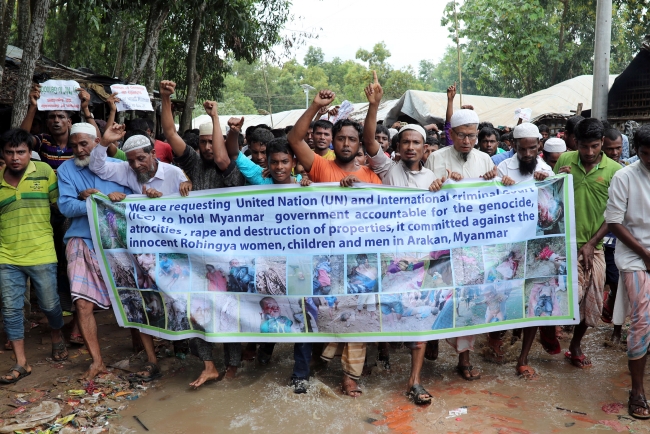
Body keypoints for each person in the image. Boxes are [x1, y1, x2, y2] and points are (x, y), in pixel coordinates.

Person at [287, 88, 381, 398]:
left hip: (358, 262)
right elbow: (294, 141)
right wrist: (316, 106)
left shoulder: (372, 176)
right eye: (341, 138)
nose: (345, 143)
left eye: (352, 140)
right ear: (332, 141)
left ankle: (350, 377)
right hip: (322, 258)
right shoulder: (320, 167)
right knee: (317, 312)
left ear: (359, 145)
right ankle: (314, 363)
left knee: (358, 317)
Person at [159, 81, 246, 387]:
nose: (208, 147)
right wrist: (167, 98)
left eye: (214, 141)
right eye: (205, 142)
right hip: (196, 255)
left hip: (227, 254)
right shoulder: (193, 163)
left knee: (228, 310)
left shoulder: (231, 168)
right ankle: (208, 364)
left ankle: (232, 364)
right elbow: (170, 134)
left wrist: (214, 120)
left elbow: (222, 158)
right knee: (195, 308)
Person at [90, 123, 189, 382]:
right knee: (142, 299)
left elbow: (189, 207)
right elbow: (98, 167)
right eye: (132, 161)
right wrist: (103, 143)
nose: (135, 166)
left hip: (170, 250)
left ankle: (180, 343)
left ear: (154, 153)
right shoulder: (126, 169)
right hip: (138, 250)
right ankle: (152, 359)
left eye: (141, 159)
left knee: (176, 298)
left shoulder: (174, 173)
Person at [57, 123, 132, 380]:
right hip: (81, 239)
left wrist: (116, 197)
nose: (78, 150)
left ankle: (143, 351)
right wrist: (90, 200)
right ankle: (97, 361)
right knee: (82, 303)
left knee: (130, 297)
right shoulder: (66, 170)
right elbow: (65, 206)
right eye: (74, 145)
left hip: (116, 241)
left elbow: (134, 197)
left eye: (84, 144)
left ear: (97, 142)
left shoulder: (114, 166)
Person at [0, 128, 66, 384]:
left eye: (21, 152)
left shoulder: (45, 172)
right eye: (10, 152)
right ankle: (21, 362)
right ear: (2, 154)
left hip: (41, 252)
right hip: (7, 256)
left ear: (30, 153)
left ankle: (56, 334)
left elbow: (61, 205)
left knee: (50, 305)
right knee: (11, 310)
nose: (15, 157)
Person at [555, 118, 621, 368]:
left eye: (594, 146)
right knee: (560, 297)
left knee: (591, 301)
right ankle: (552, 336)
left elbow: (614, 214)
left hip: (595, 247)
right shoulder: (564, 160)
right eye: (584, 146)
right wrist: (558, 182)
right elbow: (549, 200)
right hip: (562, 245)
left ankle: (575, 345)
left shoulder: (615, 170)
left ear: (602, 142)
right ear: (575, 143)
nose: (590, 152)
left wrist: (592, 242)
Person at [605, 125, 650, 419]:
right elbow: (614, 222)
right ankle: (637, 390)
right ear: (637, 150)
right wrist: (645, 253)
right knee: (642, 319)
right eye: (647, 154)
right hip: (635, 256)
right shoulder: (625, 176)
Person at [424, 108, 499, 182]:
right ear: (451, 134)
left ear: (477, 134)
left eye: (471, 135)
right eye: (461, 135)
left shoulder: (485, 159)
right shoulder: (434, 159)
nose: (466, 141)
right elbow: (426, 190)